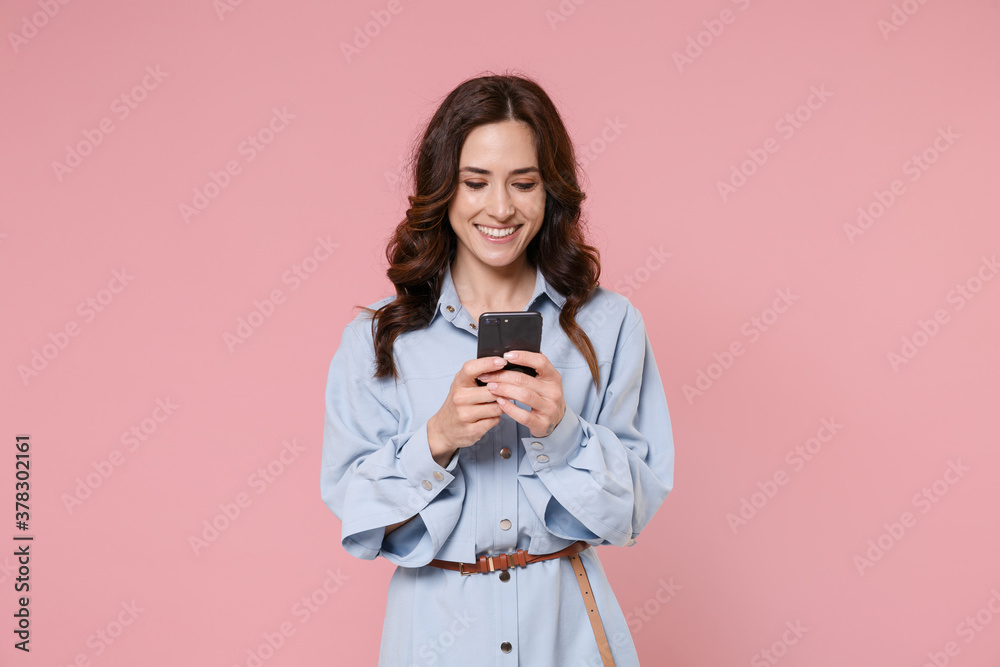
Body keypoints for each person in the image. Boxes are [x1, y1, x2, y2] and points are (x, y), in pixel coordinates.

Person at [321, 72, 675, 666]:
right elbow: (354, 509)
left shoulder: (610, 324)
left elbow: (632, 510)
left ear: (551, 191)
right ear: (443, 189)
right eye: (475, 182)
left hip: (568, 640)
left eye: (525, 183)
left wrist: (562, 433)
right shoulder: (380, 338)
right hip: (434, 643)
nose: (501, 207)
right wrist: (436, 440)